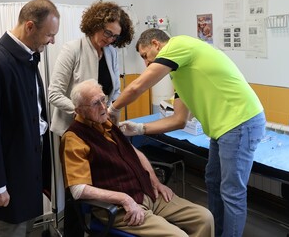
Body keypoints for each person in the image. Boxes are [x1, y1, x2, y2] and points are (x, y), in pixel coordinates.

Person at [108, 29, 266, 237]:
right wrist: (140, 129)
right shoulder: (179, 72)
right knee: (212, 180)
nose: (146, 64)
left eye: (145, 56)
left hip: (240, 121)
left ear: (156, 44)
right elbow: (179, 120)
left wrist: (113, 109)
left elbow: (138, 86)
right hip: (224, 129)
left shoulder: (179, 45)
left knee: (232, 192)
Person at [60, 79, 214, 237]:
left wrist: (155, 181)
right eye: (95, 103)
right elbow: (78, 190)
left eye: (103, 99)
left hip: (146, 192)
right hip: (121, 208)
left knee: (204, 218)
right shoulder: (74, 139)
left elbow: (133, 151)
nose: (103, 107)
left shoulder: (105, 122)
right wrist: (124, 199)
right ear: (79, 110)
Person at [0, 0, 60, 237]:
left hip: (29, 168)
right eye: (49, 35)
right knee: (13, 231)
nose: (52, 41)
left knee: (28, 228)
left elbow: (35, 116)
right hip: (9, 174)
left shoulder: (28, 58)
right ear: (30, 26)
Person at [48, 1, 134, 137]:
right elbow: (54, 94)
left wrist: (110, 111)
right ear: (96, 25)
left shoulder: (111, 52)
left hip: (100, 126)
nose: (110, 39)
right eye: (108, 33)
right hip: (73, 128)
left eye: (115, 36)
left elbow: (116, 90)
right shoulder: (72, 49)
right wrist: (83, 111)